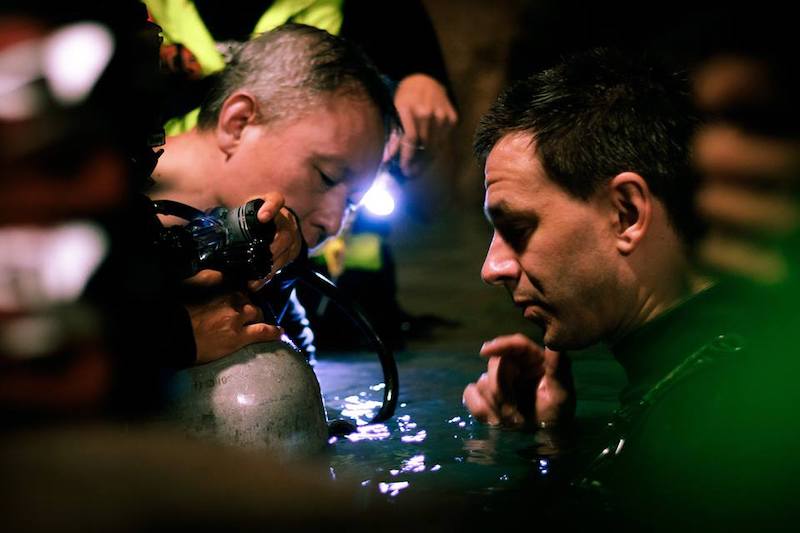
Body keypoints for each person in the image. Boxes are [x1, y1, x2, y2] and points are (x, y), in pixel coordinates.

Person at [461, 47, 799, 529]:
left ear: (627, 213)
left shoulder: (703, 444)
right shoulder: (737, 364)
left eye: (516, 229)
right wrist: (553, 436)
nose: (491, 267)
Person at [149, 23, 399, 361]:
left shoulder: (267, 263)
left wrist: (280, 280)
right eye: (326, 176)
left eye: (352, 203)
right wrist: (169, 340)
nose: (334, 223)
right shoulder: (88, 193)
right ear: (239, 123)